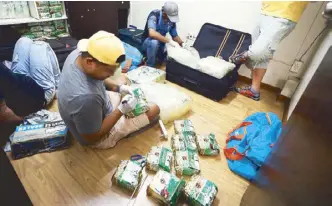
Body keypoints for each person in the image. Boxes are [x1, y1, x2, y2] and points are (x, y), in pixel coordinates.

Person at [57, 31, 160, 149]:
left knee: (124, 84)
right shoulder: (86, 98)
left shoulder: (78, 54)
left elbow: (96, 78)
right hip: (96, 136)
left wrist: (118, 87)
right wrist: (120, 110)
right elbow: (91, 138)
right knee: (154, 109)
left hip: (93, 109)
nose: (111, 74)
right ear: (90, 62)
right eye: (109, 71)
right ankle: (120, 133)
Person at [229, 1, 309, 101]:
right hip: (266, 10)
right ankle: (254, 91)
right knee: (264, 54)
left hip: (285, 14)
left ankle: (243, 56)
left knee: (258, 52)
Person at [0, 37, 60, 124]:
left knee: (23, 40)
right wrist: (24, 120)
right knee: (41, 45)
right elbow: (4, 113)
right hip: (41, 93)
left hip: (20, 78)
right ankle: (58, 86)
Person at [142, 1, 184, 67]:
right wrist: (169, 41)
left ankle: (157, 58)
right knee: (154, 42)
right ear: (164, 13)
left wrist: (181, 44)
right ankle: (149, 66)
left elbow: (175, 36)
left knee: (162, 60)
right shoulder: (154, 15)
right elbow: (152, 33)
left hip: (161, 43)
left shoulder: (171, 21)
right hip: (147, 42)